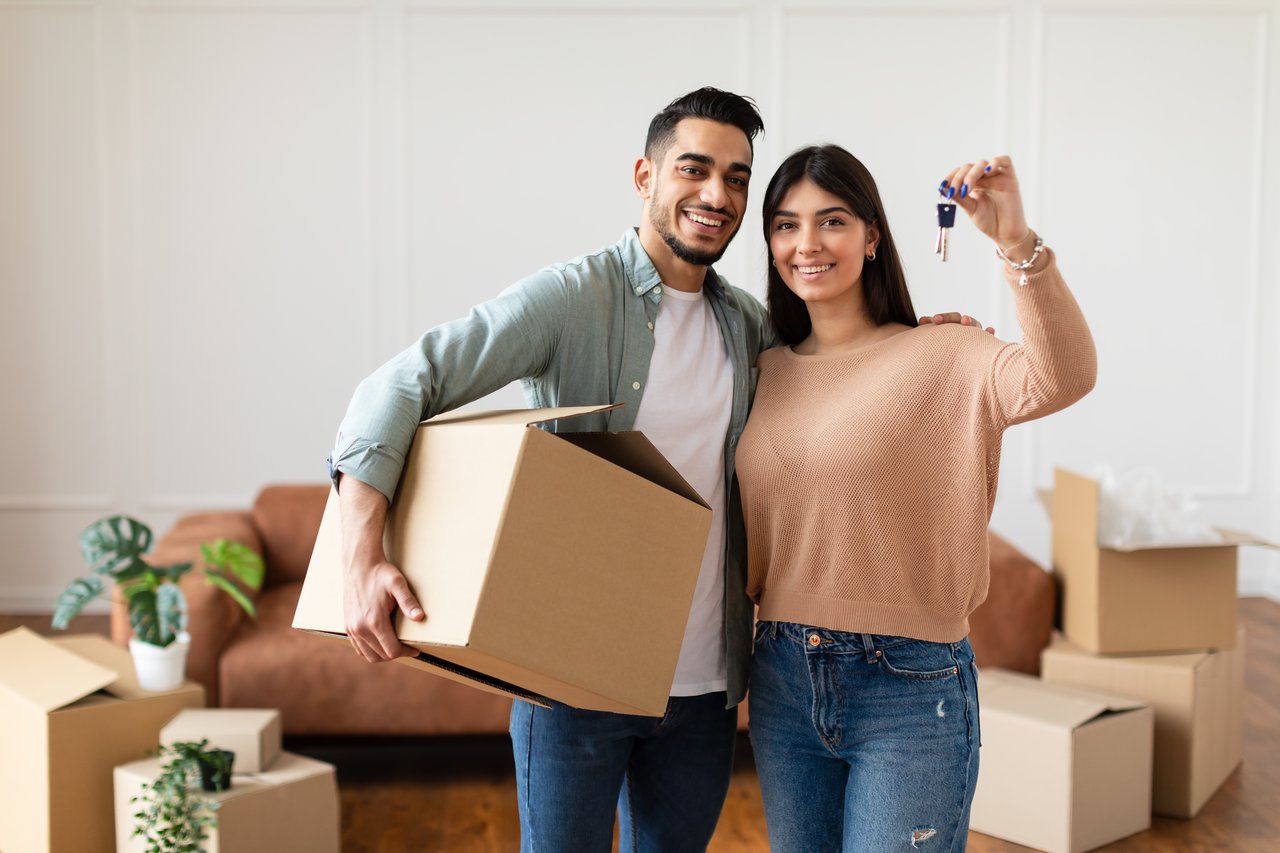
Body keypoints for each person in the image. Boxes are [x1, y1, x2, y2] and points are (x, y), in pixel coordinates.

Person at [328, 88, 977, 852]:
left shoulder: (749, 326)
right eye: (694, 169)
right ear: (645, 176)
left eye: (737, 179)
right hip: (571, 680)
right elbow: (403, 384)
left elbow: (842, 367)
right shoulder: (573, 299)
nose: (716, 195)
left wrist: (923, 340)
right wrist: (361, 552)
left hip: (701, 694)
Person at [735, 145, 1096, 852]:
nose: (806, 243)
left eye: (831, 221)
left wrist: (1015, 242)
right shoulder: (760, 368)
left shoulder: (946, 355)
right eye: (785, 224)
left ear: (872, 236)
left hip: (909, 685)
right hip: (780, 678)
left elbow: (1066, 376)